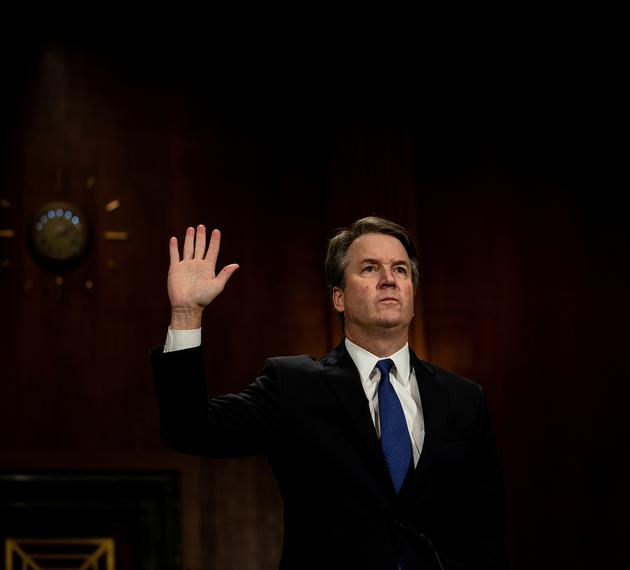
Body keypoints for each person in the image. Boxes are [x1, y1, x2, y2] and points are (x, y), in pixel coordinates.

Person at [151, 217, 507, 569]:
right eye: (370, 268)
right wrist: (186, 313)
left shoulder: (463, 399)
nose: (389, 280)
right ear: (339, 297)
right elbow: (191, 428)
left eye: (400, 270)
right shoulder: (293, 385)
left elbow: (486, 528)